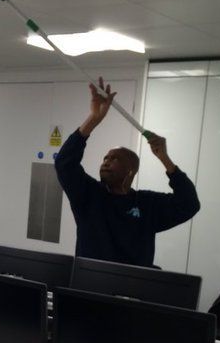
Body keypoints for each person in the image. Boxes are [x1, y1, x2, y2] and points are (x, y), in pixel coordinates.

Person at [54, 77, 200, 267]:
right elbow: (65, 163)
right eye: (105, 158)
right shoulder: (89, 196)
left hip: (131, 290)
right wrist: (93, 119)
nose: (106, 163)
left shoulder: (147, 204)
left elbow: (189, 204)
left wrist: (164, 159)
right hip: (90, 285)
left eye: (115, 159)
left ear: (130, 170)